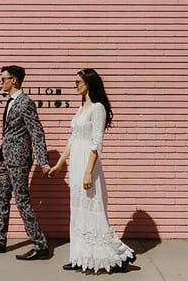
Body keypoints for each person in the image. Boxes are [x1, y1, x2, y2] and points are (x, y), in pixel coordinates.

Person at [48, 68, 136, 273]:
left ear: (89, 83)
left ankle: (121, 255)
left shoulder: (98, 109)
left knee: (92, 210)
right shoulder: (82, 108)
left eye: (78, 82)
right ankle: (81, 256)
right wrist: (60, 164)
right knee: (78, 211)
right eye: (75, 82)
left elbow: (97, 143)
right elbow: (73, 139)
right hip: (77, 163)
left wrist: (89, 171)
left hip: (88, 164)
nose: (75, 85)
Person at [0, 65, 52, 260]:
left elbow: (37, 132)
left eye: (3, 79)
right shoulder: (9, 102)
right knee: (1, 199)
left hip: (19, 161)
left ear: (14, 80)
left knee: (22, 201)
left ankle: (40, 244)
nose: (1, 82)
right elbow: (7, 135)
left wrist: (43, 161)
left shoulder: (25, 102)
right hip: (6, 160)